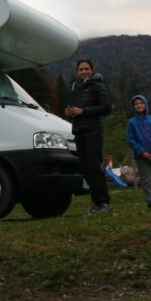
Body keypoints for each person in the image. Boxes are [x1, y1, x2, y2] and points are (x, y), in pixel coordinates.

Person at [65, 59, 113, 214]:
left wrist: (83, 111)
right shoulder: (76, 88)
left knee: (94, 166)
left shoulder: (98, 86)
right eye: (81, 69)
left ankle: (104, 202)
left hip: (93, 130)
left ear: (92, 70)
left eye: (86, 69)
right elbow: (77, 110)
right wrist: (70, 113)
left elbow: (106, 108)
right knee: (85, 168)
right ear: (77, 72)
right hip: (79, 130)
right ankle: (96, 203)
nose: (84, 71)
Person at [126, 94, 151, 208]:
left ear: (146, 105)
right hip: (141, 156)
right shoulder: (131, 122)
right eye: (136, 104)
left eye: (141, 103)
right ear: (133, 107)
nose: (139, 105)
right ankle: (150, 201)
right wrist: (142, 152)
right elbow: (131, 139)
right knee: (145, 179)